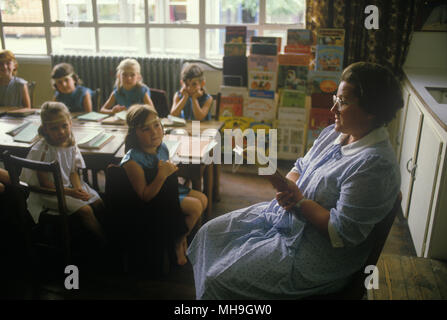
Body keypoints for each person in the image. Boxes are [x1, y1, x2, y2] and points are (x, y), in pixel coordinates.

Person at [187, 62, 404, 299]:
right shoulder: (336, 132)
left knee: (219, 280)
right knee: (209, 234)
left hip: (313, 252)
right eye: (336, 97)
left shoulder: (375, 166)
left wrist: (299, 202)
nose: (333, 108)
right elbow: (300, 166)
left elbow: (341, 232)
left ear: (371, 109)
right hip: (286, 219)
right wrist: (286, 185)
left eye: (342, 102)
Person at [121, 104, 207, 265]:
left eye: (156, 125)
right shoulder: (132, 160)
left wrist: (169, 171)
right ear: (134, 134)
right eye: (145, 129)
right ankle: (177, 241)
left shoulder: (161, 147)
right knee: (195, 208)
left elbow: (168, 177)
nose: (154, 132)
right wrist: (162, 174)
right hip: (154, 200)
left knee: (203, 199)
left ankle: (180, 236)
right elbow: (145, 196)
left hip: (168, 192)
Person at [20, 101, 106, 246]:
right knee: (86, 210)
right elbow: (45, 184)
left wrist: (78, 188)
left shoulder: (70, 143)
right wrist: (71, 193)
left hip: (68, 187)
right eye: (54, 128)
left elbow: (73, 172)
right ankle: (104, 242)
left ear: (70, 124)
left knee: (98, 203)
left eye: (64, 126)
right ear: (45, 129)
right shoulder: (44, 150)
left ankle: (98, 232)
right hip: (49, 193)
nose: (61, 132)